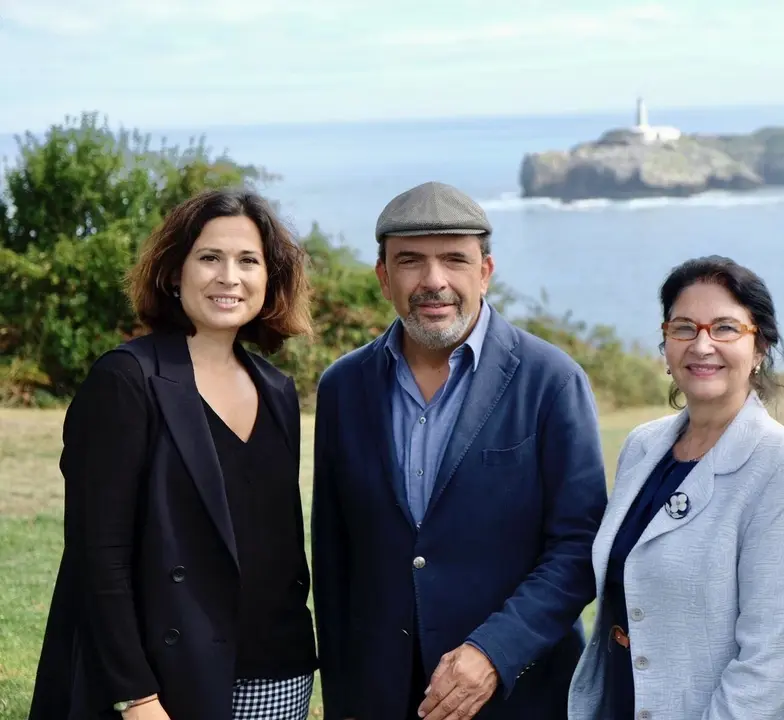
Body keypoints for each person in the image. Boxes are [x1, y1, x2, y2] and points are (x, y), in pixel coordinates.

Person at [310, 180, 609, 720]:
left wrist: (495, 651)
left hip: (519, 697)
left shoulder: (551, 380)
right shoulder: (342, 387)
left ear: (485, 273)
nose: (434, 281)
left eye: (454, 259)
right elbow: (334, 564)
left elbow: (577, 548)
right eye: (410, 262)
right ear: (383, 277)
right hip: (381, 698)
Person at [28, 188, 319, 720]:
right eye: (210, 257)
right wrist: (135, 695)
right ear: (173, 272)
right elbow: (99, 556)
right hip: (166, 684)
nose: (229, 277)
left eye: (248, 261)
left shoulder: (278, 390)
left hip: (280, 677)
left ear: (270, 279)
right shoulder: (126, 380)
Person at [567, 255, 784, 720]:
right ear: (665, 343)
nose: (702, 344)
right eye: (684, 327)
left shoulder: (783, 467)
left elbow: (771, 664)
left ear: (760, 345)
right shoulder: (642, 447)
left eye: (725, 328)